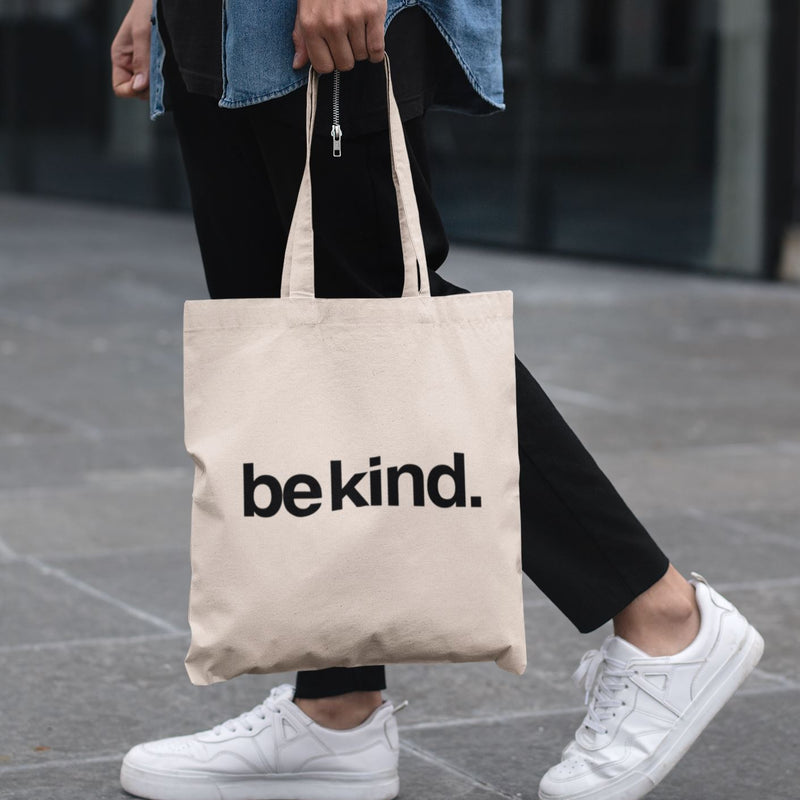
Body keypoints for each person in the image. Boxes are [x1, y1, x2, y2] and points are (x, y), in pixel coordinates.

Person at [110, 2, 764, 799]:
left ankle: (663, 616)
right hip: (211, 25)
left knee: (375, 302)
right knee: (276, 321)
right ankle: (335, 711)